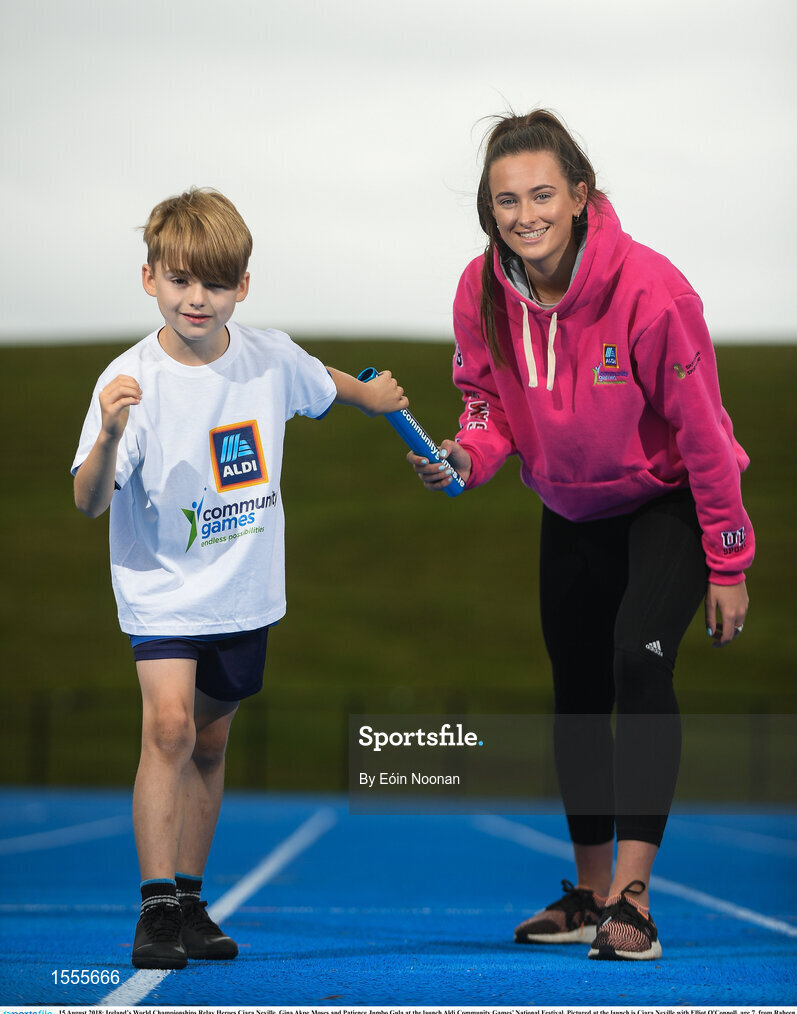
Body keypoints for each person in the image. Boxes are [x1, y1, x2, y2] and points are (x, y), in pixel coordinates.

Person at [408, 110, 753, 961]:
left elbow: (703, 432)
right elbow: (486, 408)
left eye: (540, 195)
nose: (523, 215)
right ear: (488, 211)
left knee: (638, 662)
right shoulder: (480, 290)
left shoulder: (651, 290)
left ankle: (632, 903)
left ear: (579, 196)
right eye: (504, 201)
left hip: (659, 507)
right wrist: (465, 456)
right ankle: (590, 892)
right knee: (574, 699)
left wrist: (728, 557)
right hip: (565, 508)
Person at [72, 187, 408, 970]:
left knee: (211, 744)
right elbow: (89, 503)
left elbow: (316, 379)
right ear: (149, 277)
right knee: (170, 729)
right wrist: (111, 434)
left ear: (242, 288)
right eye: (181, 280)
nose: (198, 299)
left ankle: (190, 899)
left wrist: (370, 397)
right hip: (160, 591)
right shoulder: (127, 381)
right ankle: (155, 909)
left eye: (216, 284)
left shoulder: (268, 356)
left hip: (243, 590)